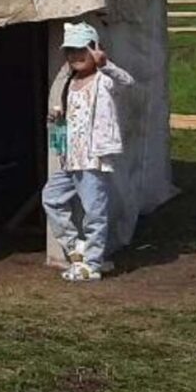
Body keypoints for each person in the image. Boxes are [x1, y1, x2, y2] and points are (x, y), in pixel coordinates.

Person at [41, 20, 134, 282]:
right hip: (70, 157)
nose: (75, 56)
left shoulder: (104, 79)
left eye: (82, 49)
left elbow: (128, 83)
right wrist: (56, 124)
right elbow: (67, 117)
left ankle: (92, 264)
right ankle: (76, 247)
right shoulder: (69, 82)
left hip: (92, 158)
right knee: (51, 197)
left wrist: (106, 64)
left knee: (94, 212)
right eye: (70, 51)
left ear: (95, 49)